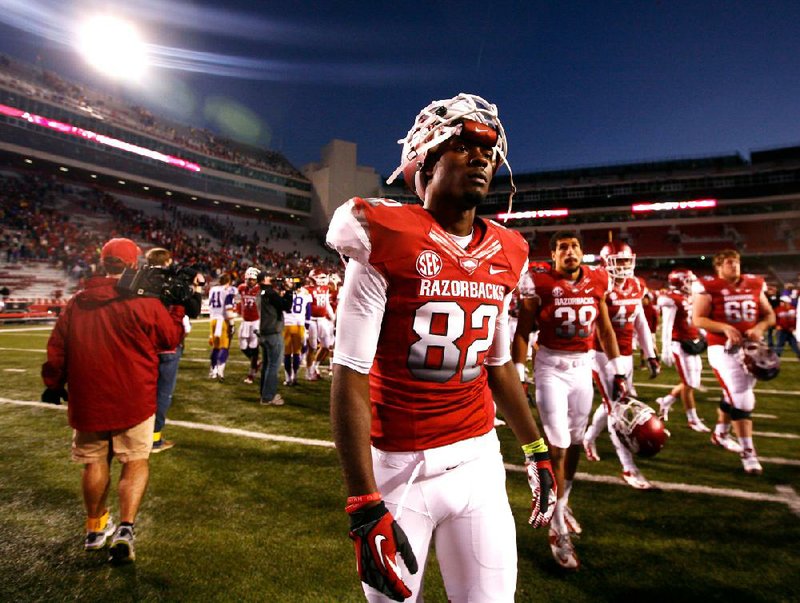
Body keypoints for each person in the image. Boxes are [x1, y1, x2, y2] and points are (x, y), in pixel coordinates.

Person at [327, 93, 556, 602]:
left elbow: (498, 365)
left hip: (478, 460)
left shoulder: (509, 248)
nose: (481, 158)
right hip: (398, 468)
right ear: (426, 161)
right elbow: (350, 371)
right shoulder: (384, 232)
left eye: (489, 152)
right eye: (461, 146)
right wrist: (363, 504)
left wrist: (535, 447)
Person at [41, 238, 186, 564]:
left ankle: (94, 529)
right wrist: (176, 309)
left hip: (88, 397)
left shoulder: (78, 301)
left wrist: (53, 383)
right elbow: (170, 339)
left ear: (103, 263)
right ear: (134, 264)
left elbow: (58, 348)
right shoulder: (143, 302)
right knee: (134, 462)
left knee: (94, 462)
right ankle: (125, 529)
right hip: (134, 397)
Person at [512, 230, 624, 570]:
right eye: (563, 247)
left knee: (575, 441)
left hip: (582, 368)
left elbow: (604, 329)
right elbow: (523, 330)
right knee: (558, 444)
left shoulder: (597, 279)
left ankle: (563, 501)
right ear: (554, 254)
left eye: (575, 246)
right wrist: (519, 371)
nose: (570, 252)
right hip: (550, 368)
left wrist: (616, 370)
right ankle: (557, 525)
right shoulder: (539, 281)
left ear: (582, 252)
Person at [581, 239, 660, 490]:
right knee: (618, 409)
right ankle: (628, 467)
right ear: (606, 262)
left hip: (626, 353)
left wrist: (650, 354)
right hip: (602, 354)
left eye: (627, 260)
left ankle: (589, 438)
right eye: (619, 261)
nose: (625, 265)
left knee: (612, 405)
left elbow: (640, 323)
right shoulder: (598, 285)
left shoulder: (637, 284)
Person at [692, 249, 776, 474]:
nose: (735, 266)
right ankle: (748, 454)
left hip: (750, 348)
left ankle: (720, 433)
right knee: (743, 399)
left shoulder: (755, 284)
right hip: (722, 349)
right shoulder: (709, 287)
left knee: (735, 394)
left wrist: (758, 327)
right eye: (729, 263)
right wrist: (725, 327)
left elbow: (769, 315)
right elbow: (698, 318)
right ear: (719, 266)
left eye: (736, 262)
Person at [145, 247, 204, 453]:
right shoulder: (174, 284)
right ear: (168, 262)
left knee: (143, 390)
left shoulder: (140, 281)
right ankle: (154, 438)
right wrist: (196, 287)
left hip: (143, 344)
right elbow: (194, 310)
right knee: (162, 394)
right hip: (168, 345)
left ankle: (135, 433)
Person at [655, 270, 711, 432]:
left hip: (692, 341)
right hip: (679, 344)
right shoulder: (671, 299)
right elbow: (667, 325)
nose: (691, 284)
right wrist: (665, 348)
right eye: (688, 281)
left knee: (693, 382)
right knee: (689, 384)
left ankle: (666, 401)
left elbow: (692, 321)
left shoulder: (686, 298)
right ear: (680, 282)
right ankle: (692, 419)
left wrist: (704, 334)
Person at [258, 272, 294, 405]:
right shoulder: (269, 293)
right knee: (273, 366)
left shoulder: (260, 292)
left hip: (264, 332)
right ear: (263, 280)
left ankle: (264, 393)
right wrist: (289, 291)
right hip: (273, 332)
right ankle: (268, 397)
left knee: (267, 365)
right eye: (269, 277)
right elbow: (286, 306)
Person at [305, 268, 336, 380]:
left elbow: (327, 304)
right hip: (311, 320)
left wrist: (333, 318)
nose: (323, 280)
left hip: (322, 320)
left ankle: (314, 367)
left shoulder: (324, 288)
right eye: (320, 277)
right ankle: (309, 372)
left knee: (327, 346)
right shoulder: (306, 290)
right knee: (312, 348)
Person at [282, 280, 313, 386]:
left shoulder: (284, 293)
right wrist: (307, 327)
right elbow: (308, 312)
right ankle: (294, 377)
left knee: (286, 354)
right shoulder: (306, 295)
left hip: (286, 325)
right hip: (299, 325)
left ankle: (287, 378)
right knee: (296, 353)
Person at [207, 274, 236, 382]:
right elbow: (228, 308)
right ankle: (220, 370)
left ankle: (213, 370)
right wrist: (232, 324)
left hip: (213, 320)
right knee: (224, 347)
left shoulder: (213, 289)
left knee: (215, 347)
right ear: (228, 282)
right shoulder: (227, 290)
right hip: (223, 320)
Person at [237, 267, 262, 384]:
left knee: (254, 348)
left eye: (252, 279)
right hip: (245, 320)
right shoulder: (241, 288)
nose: (249, 281)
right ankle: (256, 362)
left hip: (256, 321)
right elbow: (237, 300)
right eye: (248, 279)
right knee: (243, 347)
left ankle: (251, 373)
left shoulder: (261, 290)